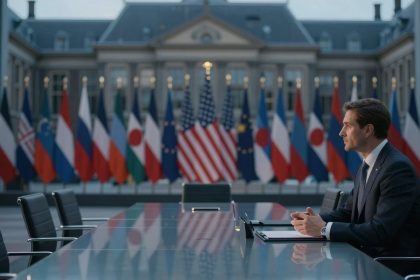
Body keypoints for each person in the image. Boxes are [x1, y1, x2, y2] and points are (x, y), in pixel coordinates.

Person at [291, 98, 420, 257]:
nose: (341, 132)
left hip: (389, 267)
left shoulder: (397, 169)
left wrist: (324, 228)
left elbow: (381, 231)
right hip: (366, 260)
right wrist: (311, 221)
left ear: (368, 130)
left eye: (348, 125)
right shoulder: (367, 165)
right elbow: (348, 214)